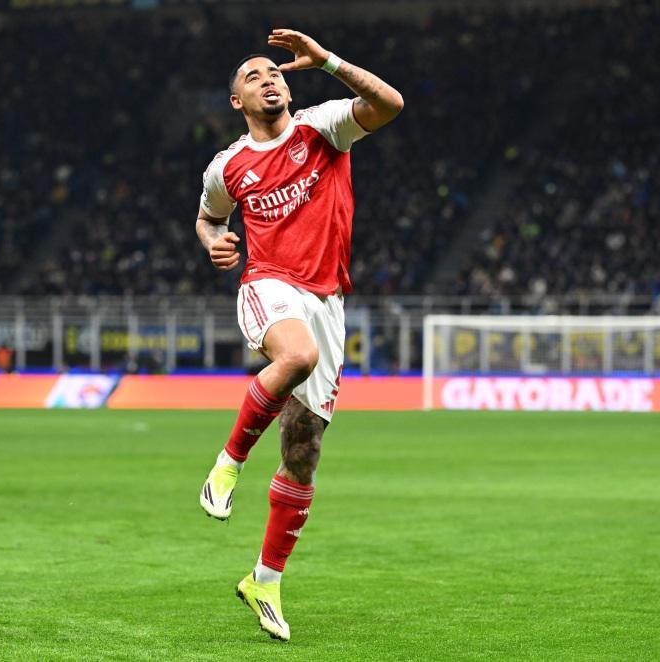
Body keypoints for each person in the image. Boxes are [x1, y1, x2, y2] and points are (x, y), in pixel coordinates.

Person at [194, 29, 403, 641]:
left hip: (327, 299)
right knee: (297, 355)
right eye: (253, 76)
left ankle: (264, 580)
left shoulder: (322, 127)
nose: (268, 79)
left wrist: (329, 61)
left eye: (274, 72)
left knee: (303, 452)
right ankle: (227, 464)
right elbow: (208, 218)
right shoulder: (227, 166)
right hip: (269, 284)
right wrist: (215, 243)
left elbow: (389, 104)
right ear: (237, 101)